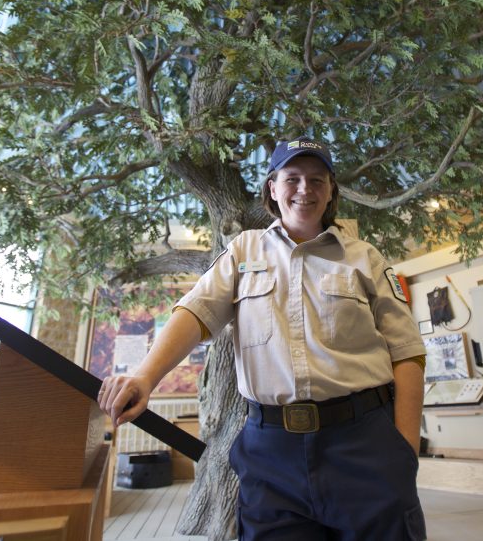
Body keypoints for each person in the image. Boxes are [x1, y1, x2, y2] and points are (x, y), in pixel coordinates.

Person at [99, 136, 428, 540]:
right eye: (292, 178)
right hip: (270, 453)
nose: (305, 189)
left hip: (363, 443)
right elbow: (195, 312)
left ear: (331, 192)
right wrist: (145, 377)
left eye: (317, 180)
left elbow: (407, 352)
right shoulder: (243, 251)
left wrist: (404, 451)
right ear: (272, 188)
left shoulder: (365, 257)